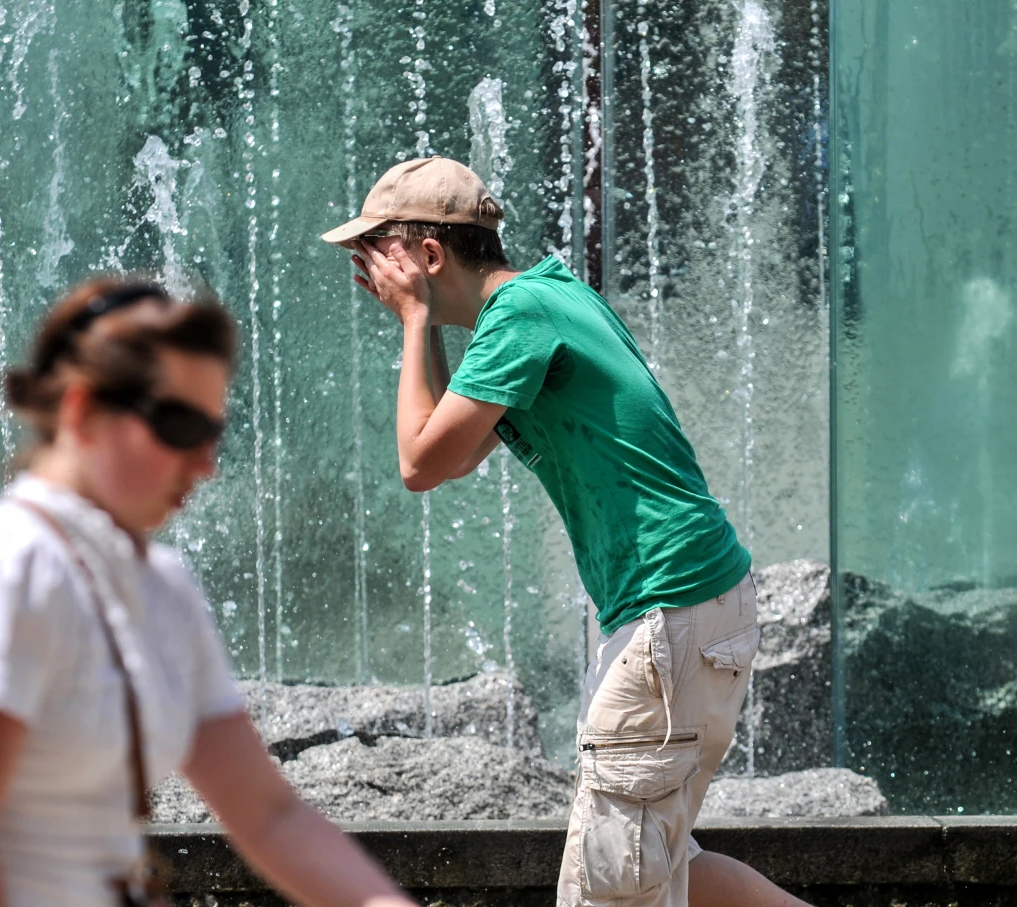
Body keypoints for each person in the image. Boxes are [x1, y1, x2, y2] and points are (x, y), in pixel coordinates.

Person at [322, 157, 812, 907]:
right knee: (665, 867)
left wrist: (416, 320)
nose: (368, 274)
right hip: (694, 608)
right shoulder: (548, 297)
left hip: (667, 615)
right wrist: (424, 323)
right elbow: (451, 452)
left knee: (609, 889)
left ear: (428, 256)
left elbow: (418, 462)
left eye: (377, 250)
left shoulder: (518, 320)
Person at [0, 277, 421, 907]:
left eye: (214, 434)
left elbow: (269, 814)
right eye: (180, 426)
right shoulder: (0, 569)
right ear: (82, 412)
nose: (206, 462)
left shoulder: (164, 589)